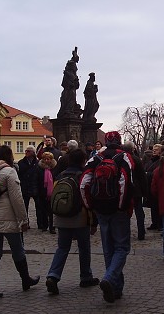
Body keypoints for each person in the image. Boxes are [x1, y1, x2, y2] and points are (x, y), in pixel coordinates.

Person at [0, 145, 40, 300]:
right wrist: (23, 220)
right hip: (8, 218)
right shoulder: (9, 171)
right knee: (18, 250)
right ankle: (25, 280)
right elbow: (17, 199)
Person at [80, 130, 135, 303]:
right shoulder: (124, 157)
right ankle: (110, 279)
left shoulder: (96, 157)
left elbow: (83, 183)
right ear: (119, 141)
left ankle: (115, 289)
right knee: (121, 247)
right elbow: (126, 182)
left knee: (108, 248)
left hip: (101, 208)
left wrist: (90, 206)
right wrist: (122, 205)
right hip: (118, 209)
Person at [45, 148, 100, 295]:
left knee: (62, 248)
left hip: (61, 217)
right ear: (83, 160)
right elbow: (89, 199)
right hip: (80, 217)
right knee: (84, 248)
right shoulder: (84, 176)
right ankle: (86, 276)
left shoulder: (60, 175)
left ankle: (53, 276)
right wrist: (94, 221)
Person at [122, 141, 148, 240]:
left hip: (125, 189)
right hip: (136, 190)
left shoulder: (122, 159)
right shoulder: (136, 159)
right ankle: (141, 232)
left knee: (125, 212)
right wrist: (145, 192)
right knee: (139, 211)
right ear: (133, 149)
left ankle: (125, 233)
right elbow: (142, 177)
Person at [18, 145, 45, 228]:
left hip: (35, 186)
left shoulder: (38, 163)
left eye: (28, 151)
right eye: (26, 151)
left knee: (39, 207)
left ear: (33, 153)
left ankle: (40, 223)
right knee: (24, 207)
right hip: (25, 186)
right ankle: (26, 223)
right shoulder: (21, 162)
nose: (26, 152)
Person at [37, 151, 58, 233]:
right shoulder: (39, 168)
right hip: (42, 191)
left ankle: (52, 227)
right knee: (43, 210)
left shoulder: (55, 168)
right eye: (45, 159)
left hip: (52, 191)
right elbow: (37, 179)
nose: (46, 160)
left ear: (51, 159)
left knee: (51, 210)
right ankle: (44, 226)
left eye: (48, 159)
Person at [144, 143, 163, 230]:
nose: (154, 151)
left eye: (156, 149)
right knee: (153, 206)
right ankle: (154, 222)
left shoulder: (160, 161)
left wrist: (148, 174)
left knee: (158, 205)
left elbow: (158, 173)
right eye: (153, 149)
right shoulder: (151, 160)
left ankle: (160, 223)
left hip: (158, 186)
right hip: (150, 185)